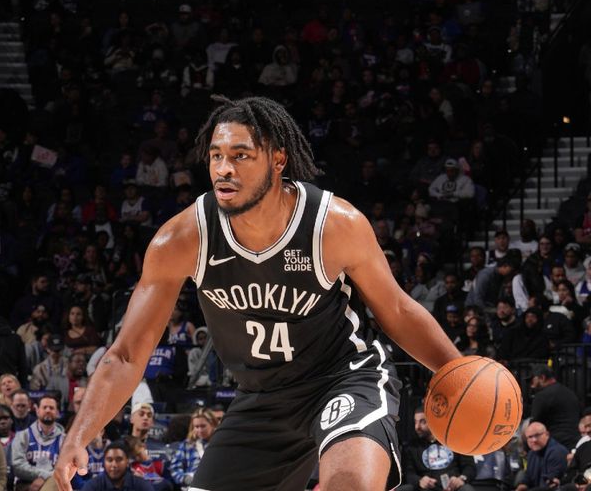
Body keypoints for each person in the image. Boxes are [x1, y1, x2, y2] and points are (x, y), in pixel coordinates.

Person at [54, 96, 463, 491]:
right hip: (261, 400)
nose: (223, 169)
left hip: (343, 380)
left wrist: (458, 372)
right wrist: (80, 434)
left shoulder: (333, 225)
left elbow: (394, 307)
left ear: (278, 160)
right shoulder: (181, 239)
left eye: (240, 155)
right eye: (216, 156)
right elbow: (127, 354)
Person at [398, 406, 476, 491]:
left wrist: (461, 479)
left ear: (433, 421)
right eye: (415, 422)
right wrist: (419, 481)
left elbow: (470, 466)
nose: (417, 427)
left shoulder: (454, 441)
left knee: (467, 489)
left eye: (422, 422)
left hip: (453, 488)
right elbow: (409, 472)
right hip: (427, 489)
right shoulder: (412, 447)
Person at [12, 395, 64, 491]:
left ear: (57, 413)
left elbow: (65, 469)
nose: (48, 410)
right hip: (26, 483)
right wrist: (43, 475)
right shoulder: (22, 436)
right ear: (37, 411)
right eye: (44, 407)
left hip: (53, 483)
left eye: (51, 408)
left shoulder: (64, 440)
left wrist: (45, 479)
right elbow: (17, 466)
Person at [530, 365, 581, 449]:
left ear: (542, 378)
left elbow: (534, 424)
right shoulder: (570, 393)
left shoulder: (542, 396)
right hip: (575, 442)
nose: (531, 385)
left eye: (533, 381)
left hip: (554, 444)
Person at [169, 408, 218, 490]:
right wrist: (186, 479)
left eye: (203, 426)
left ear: (212, 424)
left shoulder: (221, 444)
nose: (200, 430)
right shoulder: (187, 445)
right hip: (192, 486)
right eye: (196, 427)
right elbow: (175, 468)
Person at [80, 440, 152, 491]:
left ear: (127, 461)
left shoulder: (141, 486)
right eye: (109, 460)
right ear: (104, 462)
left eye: (119, 459)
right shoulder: (92, 486)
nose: (114, 465)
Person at [517, 421, 568, 491]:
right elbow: (528, 477)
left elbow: (551, 485)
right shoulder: (531, 453)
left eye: (537, 435)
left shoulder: (557, 452)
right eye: (530, 437)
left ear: (547, 434)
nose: (534, 440)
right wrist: (522, 485)